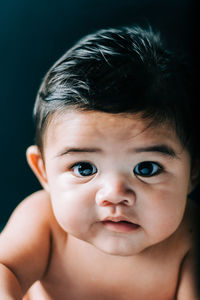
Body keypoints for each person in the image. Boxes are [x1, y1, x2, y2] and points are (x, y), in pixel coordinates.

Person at [0, 25, 199, 300]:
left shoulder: (190, 237)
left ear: (193, 171)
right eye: (84, 168)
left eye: (146, 168)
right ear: (43, 171)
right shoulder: (43, 223)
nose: (115, 194)